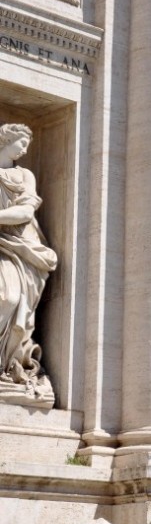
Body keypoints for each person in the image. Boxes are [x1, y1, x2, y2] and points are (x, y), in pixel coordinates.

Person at [0, 124, 57, 395]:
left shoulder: (25, 175)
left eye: (27, 145)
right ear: (5, 140)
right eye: (20, 143)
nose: (24, 149)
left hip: (22, 246)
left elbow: (25, 211)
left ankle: (7, 365)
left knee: (11, 299)